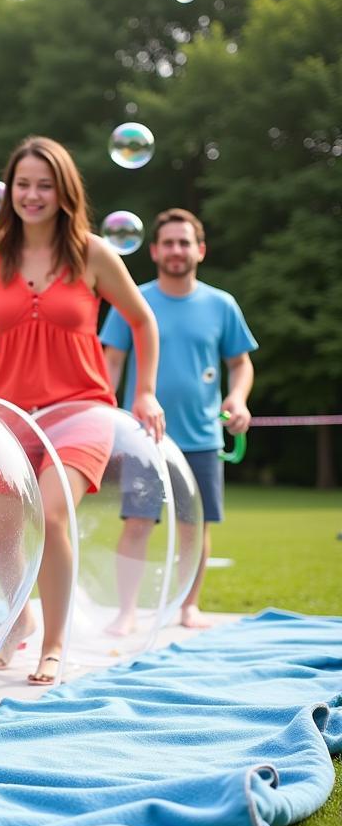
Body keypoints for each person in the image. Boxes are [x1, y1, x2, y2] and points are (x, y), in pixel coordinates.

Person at [0, 136, 164, 685]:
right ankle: (18, 616)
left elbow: (143, 320)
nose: (32, 194)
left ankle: (53, 641)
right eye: (23, 184)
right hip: (5, 413)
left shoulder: (94, 253)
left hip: (82, 409)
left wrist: (145, 391)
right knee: (2, 530)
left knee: (50, 515)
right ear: (10, 190)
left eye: (44, 184)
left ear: (64, 191)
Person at [101, 207, 257, 630]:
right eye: (168, 242)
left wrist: (238, 398)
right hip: (142, 436)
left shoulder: (221, 305)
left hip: (203, 436)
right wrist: (104, 409)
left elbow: (240, 364)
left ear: (200, 250)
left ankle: (189, 607)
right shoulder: (134, 300)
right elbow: (111, 362)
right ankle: (127, 612)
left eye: (184, 242)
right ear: (154, 250)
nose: (176, 250)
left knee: (195, 526)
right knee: (137, 523)